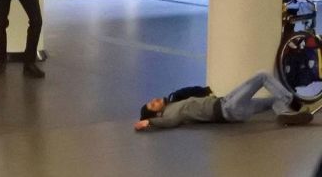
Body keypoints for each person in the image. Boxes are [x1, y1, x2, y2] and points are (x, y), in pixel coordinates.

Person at [134, 72, 313, 131]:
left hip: (227, 104)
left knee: (272, 101)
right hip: (228, 108)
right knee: (262, 76)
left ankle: (284, 113)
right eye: (153, 105)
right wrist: (149, 122)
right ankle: (290, 101)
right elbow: (170, 122)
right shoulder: (171, 113)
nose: (155, 100)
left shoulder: (173, 103)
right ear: (157, 113)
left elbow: (187, 92)